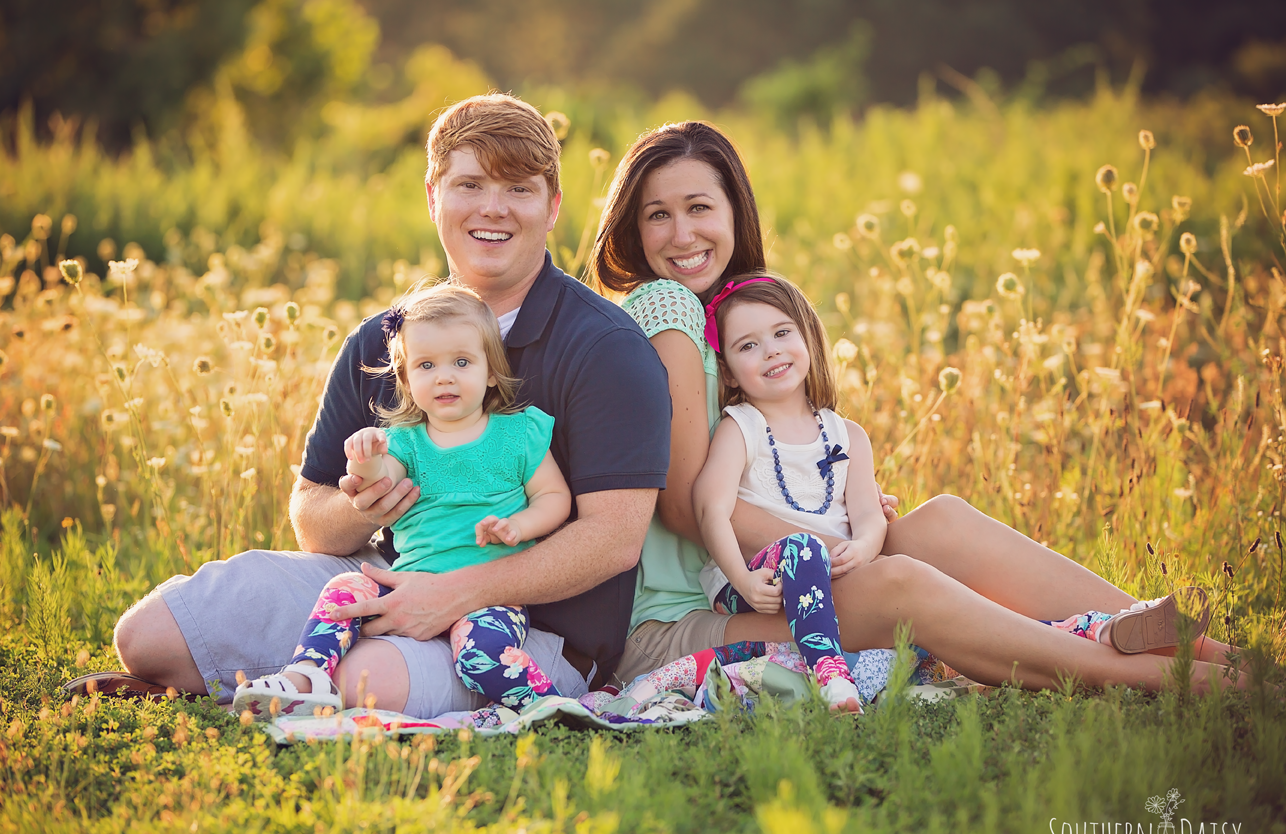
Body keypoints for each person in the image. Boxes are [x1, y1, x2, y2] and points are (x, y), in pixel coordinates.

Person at [590, 120, 1245, 695]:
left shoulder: (732, 320)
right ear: (631, 225)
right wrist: (848, 546)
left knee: (940, 525)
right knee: (900, 579)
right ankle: (1180, 678)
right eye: (656, 215)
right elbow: (684, 505)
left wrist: (848, 515)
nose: (681, 234)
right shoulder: (666, 307)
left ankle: (1207, 649)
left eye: (699, 207)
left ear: (736, 211)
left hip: (768, 573)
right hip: (678, 619)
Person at [110, 94, 673, 716]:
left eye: (518, 188)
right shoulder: (383, 341)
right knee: (146, 637)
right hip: (390, 581)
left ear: (553, 207)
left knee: (364, 680)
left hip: (532, 635)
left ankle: (292, 679)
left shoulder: (606, 347)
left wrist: (451, 595)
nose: (492, 208)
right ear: (433, 196)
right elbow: (312, 516)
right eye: (470, 184)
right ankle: (279, 675)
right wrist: (362, 506)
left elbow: (613, 540)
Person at [232, 285, 572, 716]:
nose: (444, 376)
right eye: (426, 365)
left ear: (490, 371)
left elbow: (554, 496)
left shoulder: (518, 433)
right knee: (343, 589)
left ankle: (545, 704)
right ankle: (306, 675)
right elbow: (382, 481)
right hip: (410, 582)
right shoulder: (405, 442)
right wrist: (368, 459)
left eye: (462, 362)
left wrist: (519, 527)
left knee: (481, 653)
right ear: (407, 379)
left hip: (491, 595)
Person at [693, 273, 880, 712]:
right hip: (760, 578)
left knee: (916, 601)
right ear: (728, 371)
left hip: (834, 574)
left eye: (781, 333)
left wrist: (866, 546)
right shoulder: (741, 427)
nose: (771, 350)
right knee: (804, 548)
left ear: (809, 337)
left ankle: (1049, 629)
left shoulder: (848, 435)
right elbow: (710, 510)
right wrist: (742, 578)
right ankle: (830, 674)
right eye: (748, 345)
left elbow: (869, 513)